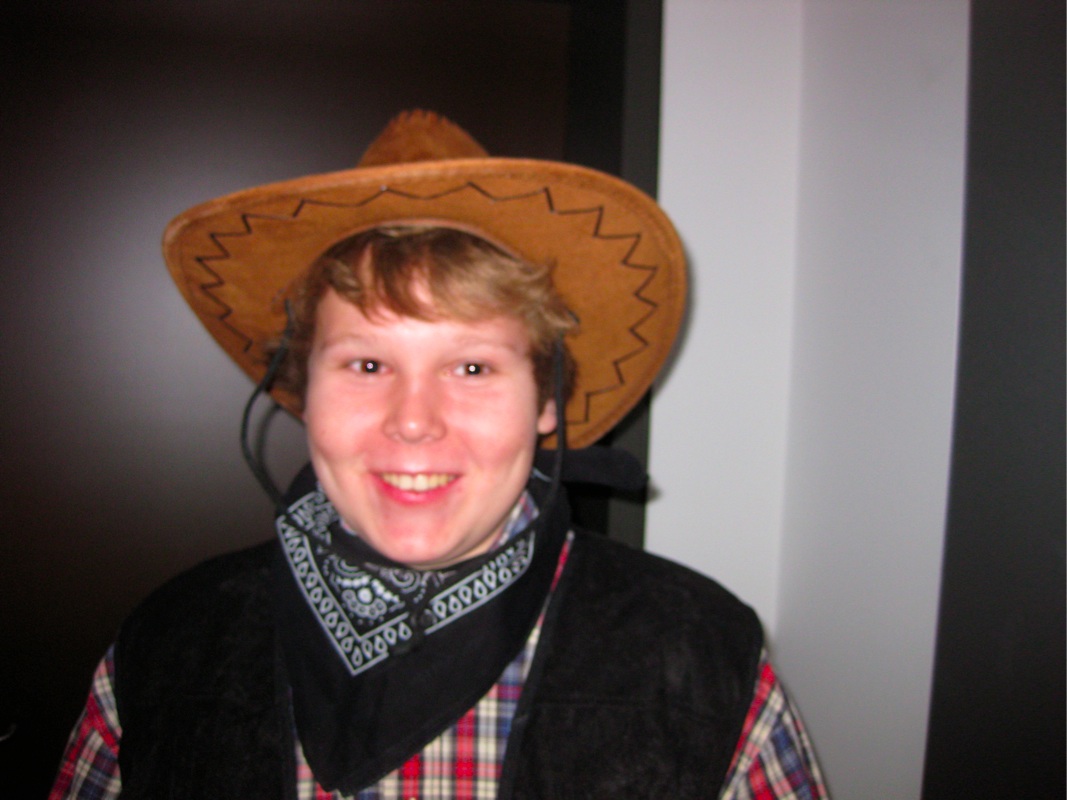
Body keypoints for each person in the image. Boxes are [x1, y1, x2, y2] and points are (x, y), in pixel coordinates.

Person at [50, 110, 827, 798]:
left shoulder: (699, 659)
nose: (413, 422)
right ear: (302, 391)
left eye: (472, 369)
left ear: (546, 400)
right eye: (366, 364)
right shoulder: (165, 645)